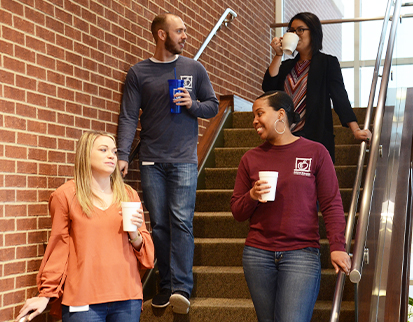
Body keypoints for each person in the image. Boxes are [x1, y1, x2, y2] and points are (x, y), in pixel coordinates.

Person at [117, 13, 219, 313]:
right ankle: (164, 286)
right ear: (161, 35)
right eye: (180, 31)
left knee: (181, 222)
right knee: (160, 224)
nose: (185, 35)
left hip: (184, 160)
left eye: (185, 30)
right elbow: (127, 116)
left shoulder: (194, 69)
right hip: (151, 160)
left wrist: (192, 104)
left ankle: (182, 289)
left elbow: (212, 106)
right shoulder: (139, 73)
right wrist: (123, 154)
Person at [230, 91, 351, 322]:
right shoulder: (249, 158)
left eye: (260, 113)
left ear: (281, 115)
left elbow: (332, 203)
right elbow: (237, 211)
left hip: (301, 254)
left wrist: (337, 245)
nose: (254, 120)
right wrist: (253, 195)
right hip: (258, 254)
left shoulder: (316, 152)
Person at [15, 131, 154, 322]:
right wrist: (46, 294)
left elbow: (147, 256)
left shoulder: (128, 195)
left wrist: (134, 233)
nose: (111, 155)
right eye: (103, 150)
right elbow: (59, 249)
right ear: (85, 155)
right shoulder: (65, 196)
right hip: (83, 299)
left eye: (114, 151)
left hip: (127, 297)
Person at [262, 12, 371, 163]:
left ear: (313, 32)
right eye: (292, 31)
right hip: (283, 135)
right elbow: (268, 88)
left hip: (314, 136)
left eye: (300, 30)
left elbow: (339, 97)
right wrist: (278, 55)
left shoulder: (327, 63)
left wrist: (356, 130)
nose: (295, 34)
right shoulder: (286, 66)